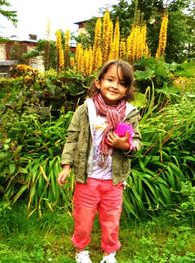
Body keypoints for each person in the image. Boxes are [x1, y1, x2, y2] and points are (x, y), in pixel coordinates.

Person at [57, 59, 141, 263]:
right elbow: (73, 137)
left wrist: (124, 145)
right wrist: (67, 165)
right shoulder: (86, 110)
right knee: (83, 219)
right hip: (87, 178)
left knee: (111, 219)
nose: (114, 86)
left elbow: (136, 142)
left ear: (127, 89)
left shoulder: (129, 113)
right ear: (98, 82)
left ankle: (109, 253)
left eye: (121, 83)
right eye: (110, 79)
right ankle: (81, 250)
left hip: (114, 180)